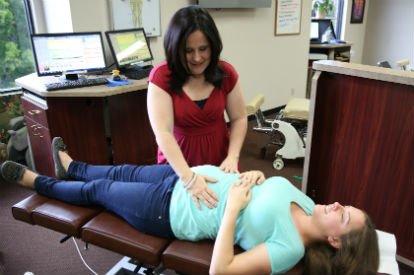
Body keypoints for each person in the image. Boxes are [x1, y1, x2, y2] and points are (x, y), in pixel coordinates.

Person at [1, 138, 379, 274]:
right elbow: (266, 188)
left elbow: (221, 270)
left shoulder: (289, 249)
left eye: (343, 216)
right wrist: (255, 178)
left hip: (170, 212)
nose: (337, 205)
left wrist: (232, 207)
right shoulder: (308, 202)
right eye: (346, 205)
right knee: (122, 170)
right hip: (186, 178)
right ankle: (71, 165)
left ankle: (38, 183)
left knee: (100, 190)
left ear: (335, 242)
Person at [147, 5, 248, 208]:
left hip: (221, 161)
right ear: (175, 49)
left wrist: (232, 157)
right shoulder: (162, 77)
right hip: (178, 165)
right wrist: (189, 178)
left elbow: (239, 118)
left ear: (213, 46)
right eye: (188, 50)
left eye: (203, 49)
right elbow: (163, 134)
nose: (197, 57)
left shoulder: (225, 72)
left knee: (225, 214)